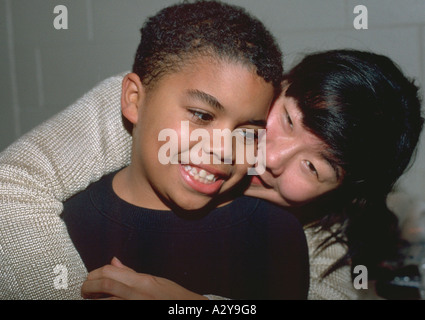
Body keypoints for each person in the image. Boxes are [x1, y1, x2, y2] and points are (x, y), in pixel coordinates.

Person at [0, 1, 310, 300]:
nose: (223, 149)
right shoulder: (52, 226)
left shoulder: (275, 237)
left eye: (247, 133)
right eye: (201, 115)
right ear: (134, 99)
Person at [78, 49, 424, 300]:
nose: (271, 157)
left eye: (312, 168)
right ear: (281, 83)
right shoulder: (144, 114)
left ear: (335, 194)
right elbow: (22, 185)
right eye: (288, 119)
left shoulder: (316, 241)